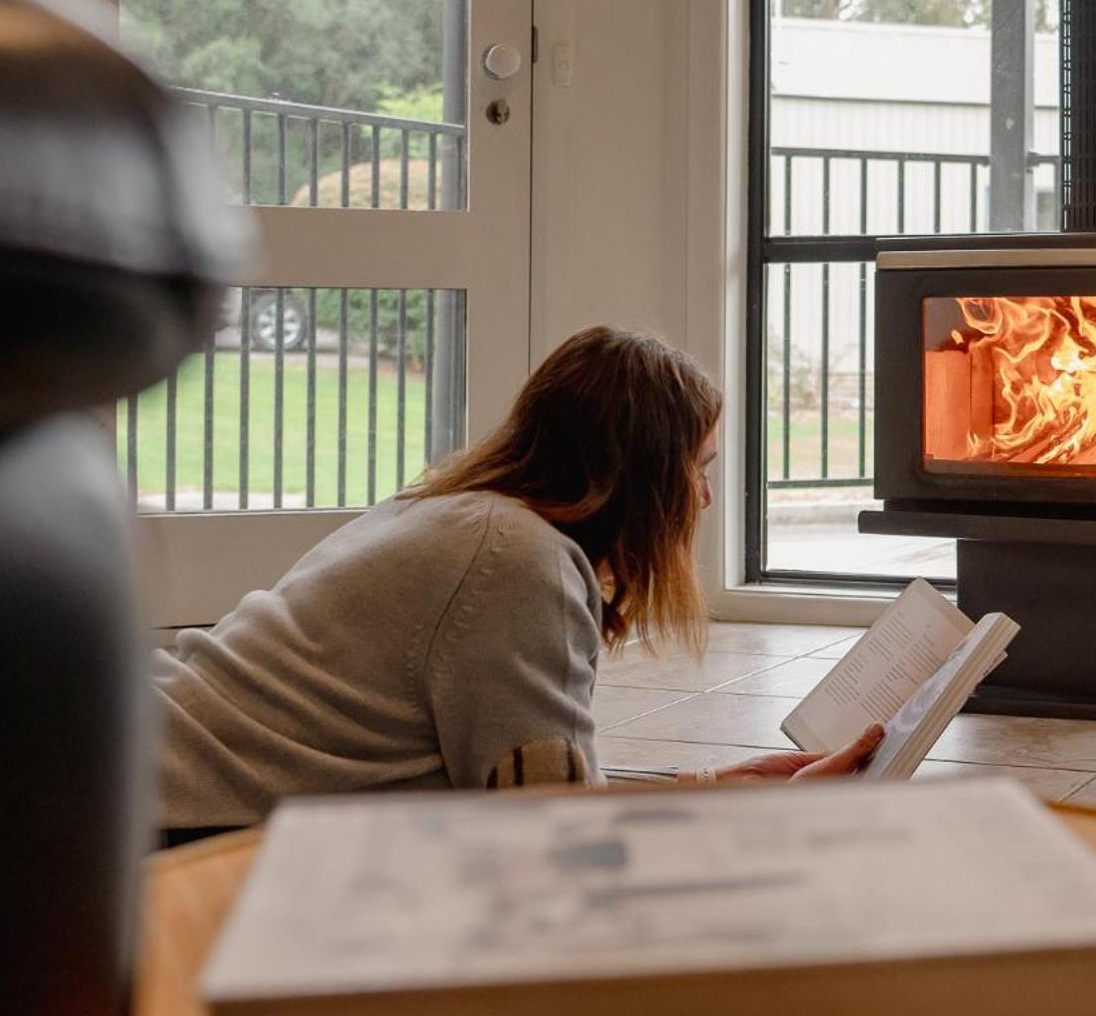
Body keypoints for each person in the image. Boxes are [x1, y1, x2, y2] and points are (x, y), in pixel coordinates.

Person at [152, 325, 882, 829]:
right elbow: (553, 842)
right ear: (643, 476)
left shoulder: (465, 515)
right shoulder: (515, 566)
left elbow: (530, 783)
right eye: (697, 467)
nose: (704, 496)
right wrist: (776, 821)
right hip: (173, 826)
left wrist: (713, 791)